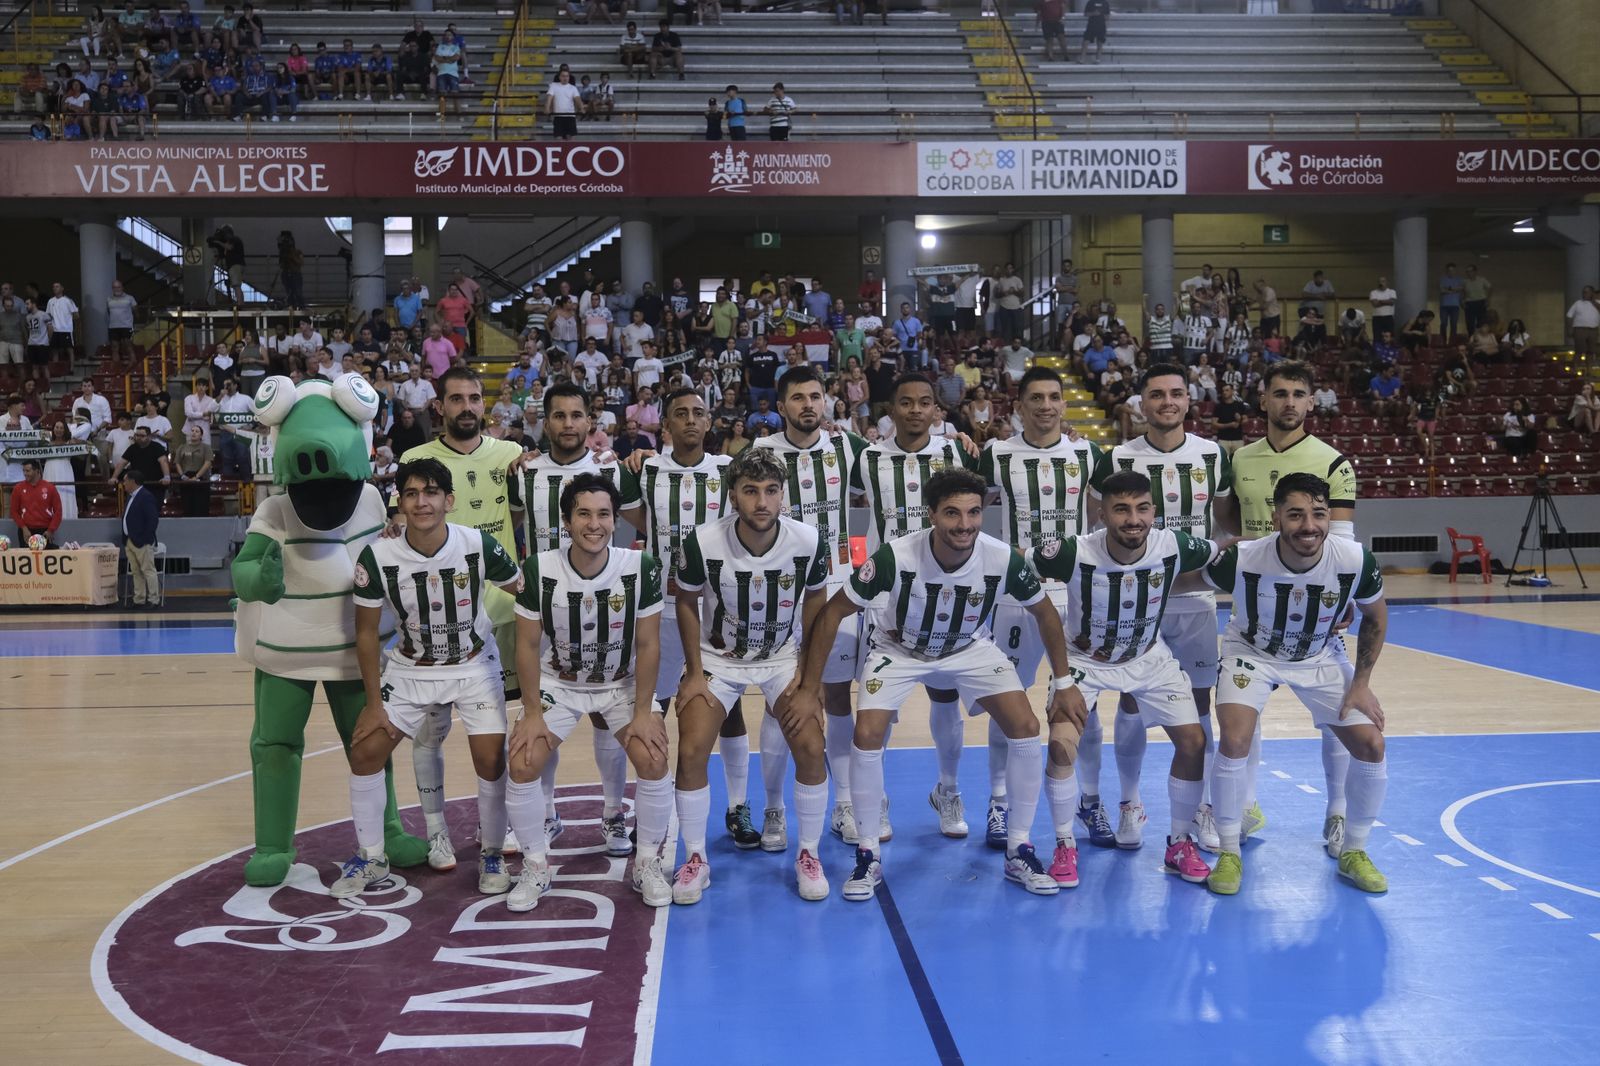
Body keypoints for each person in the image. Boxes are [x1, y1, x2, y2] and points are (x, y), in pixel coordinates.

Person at [794, 468, 1086, 899]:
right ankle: (868, 854)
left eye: (972, 513)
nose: (964, 524)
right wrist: (807, 687)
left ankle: (1018, 848)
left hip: (969, 647)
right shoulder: (895, 556)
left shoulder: (1002, 557)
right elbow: (833, 612)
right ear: (931, 514)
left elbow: (1044, 612)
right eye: (952, 513)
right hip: (898, 648)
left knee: (1025, 729)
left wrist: (1063, 682)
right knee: (868, 733)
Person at [330, 460, 533, 903]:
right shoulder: (376, 556)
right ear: (399, 502)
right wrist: (372, 703)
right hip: (409, 669)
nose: (422, 501)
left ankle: (493, 853)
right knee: (365, 752)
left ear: (449, 500)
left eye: (432, 492)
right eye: (412, 493)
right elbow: (365, 632)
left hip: (474, 666)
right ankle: (371, 856)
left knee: (491, 761)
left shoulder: (478, 544)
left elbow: (528, 590)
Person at [1028, 470, 1221, 885]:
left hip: (1149, 658)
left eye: (1142, 508)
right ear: (1102, 514)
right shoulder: (1069, 552)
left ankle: (1179, 842)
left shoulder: (1177, 544)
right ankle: (1064, 845)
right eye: (1121, 509)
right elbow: (1012, 566)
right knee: (1062, 746)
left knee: (1194, 741)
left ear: (1154, 510)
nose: (1133, 519)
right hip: (1084, 660)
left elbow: (1236, 556)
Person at [1202, 473, 1391, 896]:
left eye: (1318, 513)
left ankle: (1354, 851)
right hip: (1251, 653)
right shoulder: (1244, 557)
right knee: (1234, 740)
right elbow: (1185, 585)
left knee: (1372, 745)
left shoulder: (1355, 559)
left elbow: (1376, 616)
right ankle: (1229, 851)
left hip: (1320, 655)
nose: (1309, 525)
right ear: (1276, 518)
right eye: (1296, 514)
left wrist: (1361, 684)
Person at [669, 446, 832, 901]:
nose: (762, 501)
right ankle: (696, 858)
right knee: (692, 749)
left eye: (771, 491)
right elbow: (684, 601)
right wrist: (695, 674)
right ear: (733, 497)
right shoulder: (701, 541)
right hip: (718, 659)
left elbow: (816, 604)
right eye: (750, 491)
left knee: (812, 747)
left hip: (781, 658)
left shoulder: (809, 540)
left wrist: (809, 680)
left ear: (783, 496)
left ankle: (809, 853)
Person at [509, 474, 672, 905]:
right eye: (583, 513)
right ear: (566, 521)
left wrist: (642, 712)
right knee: (523, 761)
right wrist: (531, 713)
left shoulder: (641, 567)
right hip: (559, 683)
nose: (594, 523)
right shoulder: (538, 568)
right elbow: (525, 645)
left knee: (653, 757)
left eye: (603, 514)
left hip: (620, 683)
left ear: (616, 520)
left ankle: (648, 862)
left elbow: (649, 643)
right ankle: (535, 866)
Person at [616, 389, 761, 845]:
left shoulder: (728, 470)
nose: (691, 421)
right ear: (666, 425)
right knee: (653, 706)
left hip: (719, 605)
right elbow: (637, 517)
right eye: (681, 414)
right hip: (661, 603)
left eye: (699, 413)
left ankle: (738, 806)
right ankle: (654, 807)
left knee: (729, 707)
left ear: (709, 420)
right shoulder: (646, 468)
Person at [1104, 365, 1237, 850]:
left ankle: (1201, 807)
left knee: (1199, 705)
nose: (1167, 402)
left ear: (1188, 400)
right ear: (1141, 402)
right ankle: (1130, 801)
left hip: (1196, 598)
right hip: (1138, 600)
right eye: (1157, 394)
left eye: (1176, 393)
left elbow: (1223, 521)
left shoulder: (1212, 455)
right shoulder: (1117, 457)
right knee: (1132, 700)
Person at [1230, 360, 1358, 853]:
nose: (1289, 402)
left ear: (1311, 402)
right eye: (1279, 393)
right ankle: (1245, 807)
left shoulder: (1334, 461)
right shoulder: (1240, 460)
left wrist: (1342, 598)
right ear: (1263, 399)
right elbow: (1231, 532)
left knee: (1337, 714)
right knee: (1245, 712)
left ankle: (1338, 813)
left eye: (1298, 393)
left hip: (1315, 606)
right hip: (1256, 606)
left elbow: (1341, 537)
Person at [512, 383, 640, 850]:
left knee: (607, 715)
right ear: (545, 422)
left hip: (608, 604)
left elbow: (647, 524)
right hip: (543, 609)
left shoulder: (611, 468)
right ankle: (546, 814)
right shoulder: (523, 472)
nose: (568, 424)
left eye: (577, 415)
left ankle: (612, 816)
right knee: (543, 719)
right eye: (559, 416)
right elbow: (510, 528)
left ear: (591, 422)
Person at [121, 467, 161, 607]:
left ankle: (153, 599)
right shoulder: (131, 497)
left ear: (132, 481)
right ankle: (139, 599)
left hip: (141, 541)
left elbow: (153, 520)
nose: (123, 484)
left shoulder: (146, 496)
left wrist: (145, 538)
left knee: (148, 570)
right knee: (136, 572)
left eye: (125, 481)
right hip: (129, 540)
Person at [11, 459, 62, 547]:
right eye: (23, 471)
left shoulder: (50, 488)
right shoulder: (18, 488)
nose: (25, 473)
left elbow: (58, 511)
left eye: (28, 471)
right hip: (26, 531)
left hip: (45, 531)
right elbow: (14, 511)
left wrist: (51, 530)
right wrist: (23, 528)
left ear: (37, 471)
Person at [546, 68, 580, 140]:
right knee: (559, 139)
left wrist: (582, 108)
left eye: (567, 76)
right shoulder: (553, 85)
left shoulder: (573, 88)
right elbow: (549, 97)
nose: (565, 78)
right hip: (558, 116)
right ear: (559, 77)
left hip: (570, 116)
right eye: (563, 76)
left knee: (571, 139)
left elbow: (577, 99)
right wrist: (547, 108)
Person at [1566, 285, 1599, 357]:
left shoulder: (1597, 303)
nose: (1584, 294)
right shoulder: (1578, 303)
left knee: (1591, 352)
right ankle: (1576, 367)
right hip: (1580, 330)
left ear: (1592, 293)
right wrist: (1570, 329)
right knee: (1579, 352)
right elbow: (1569, 316)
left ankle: (1589, 368)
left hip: (1593, 330)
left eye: (1587, 292)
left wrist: (1593, 301)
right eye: (1583, 292)